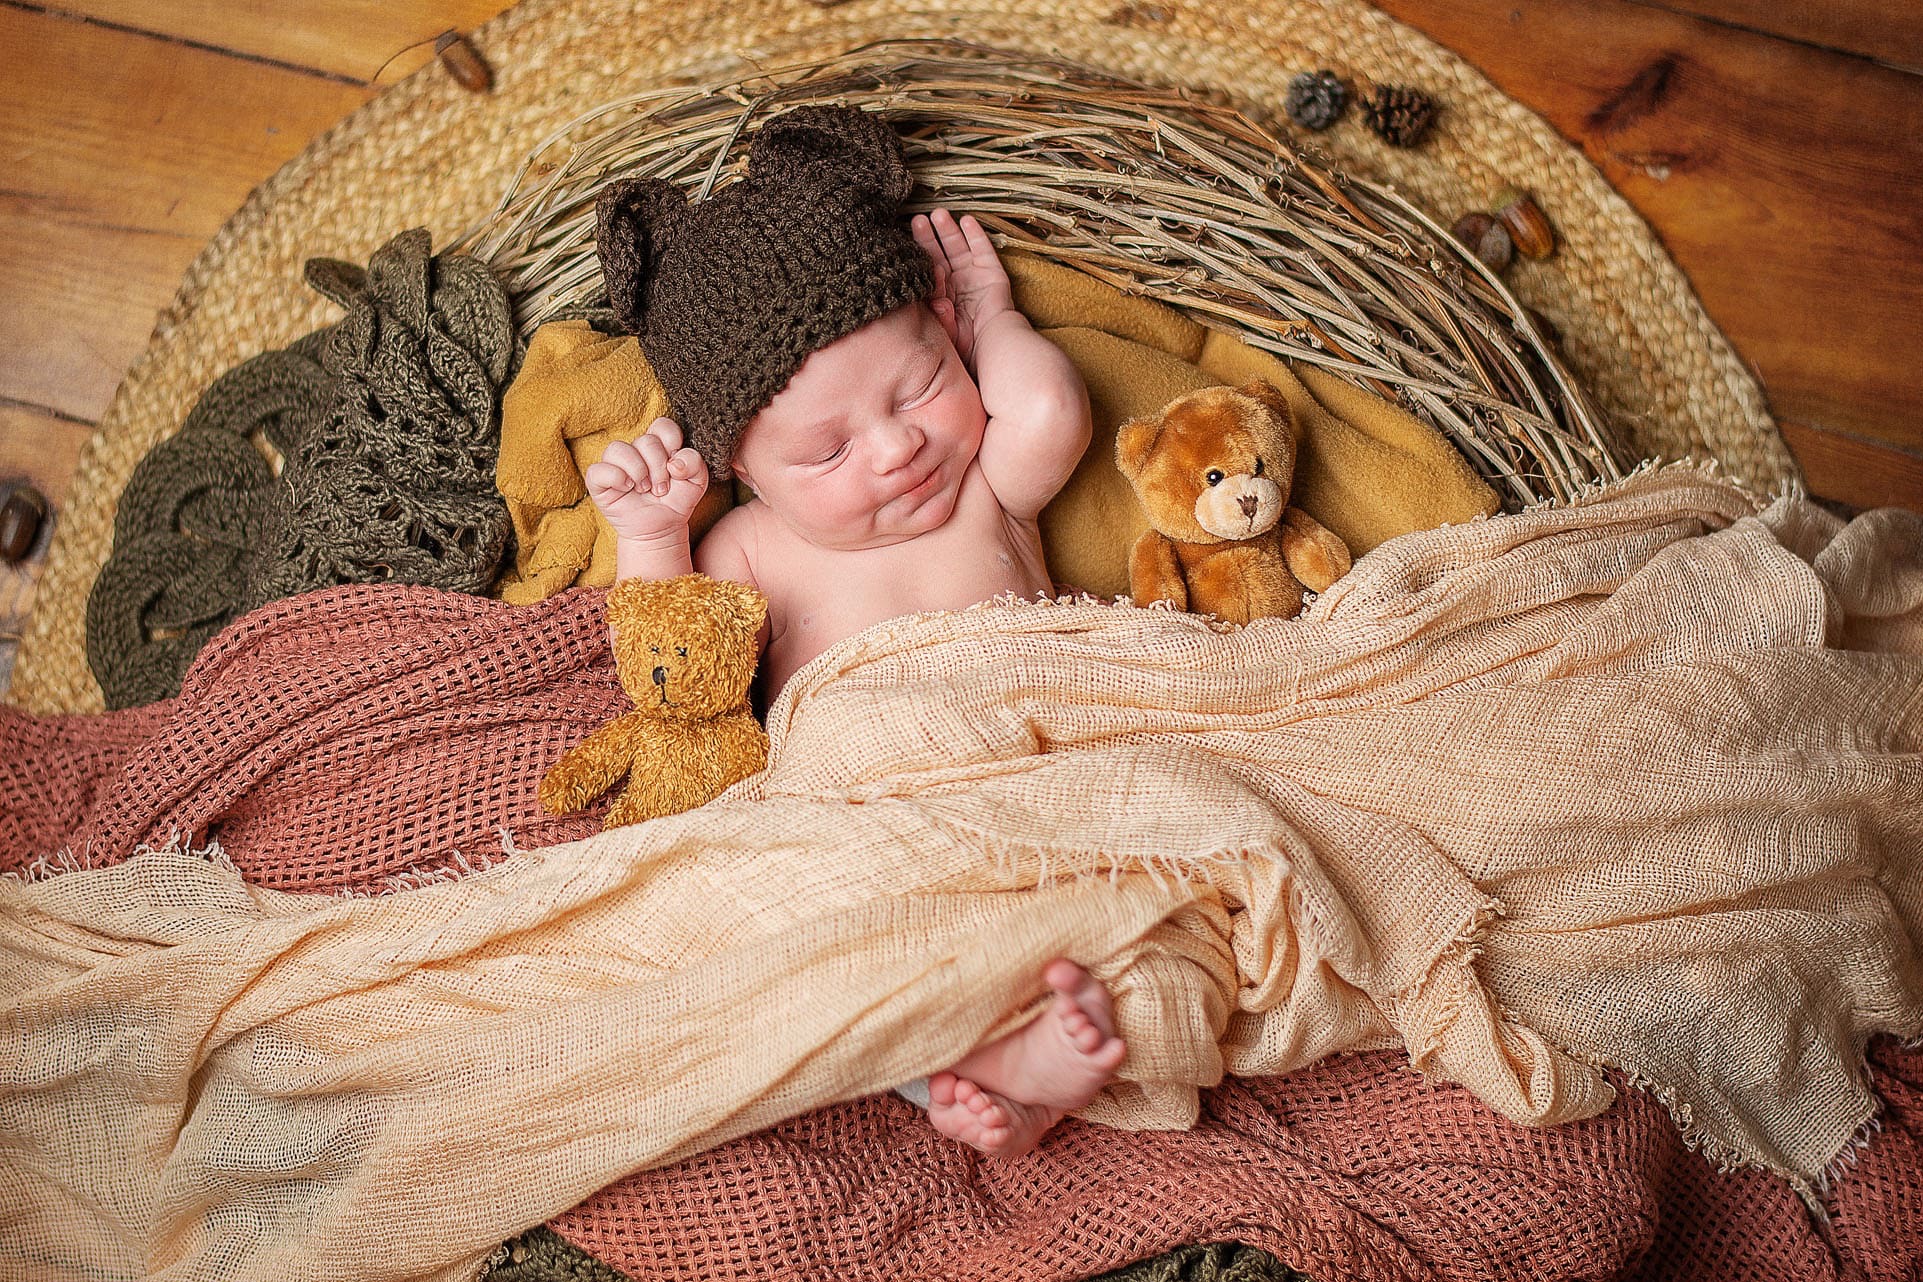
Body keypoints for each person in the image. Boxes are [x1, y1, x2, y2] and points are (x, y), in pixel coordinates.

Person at [584, 104, 1122, 1157]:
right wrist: (651, 532)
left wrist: (989, 311)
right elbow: (677, 673)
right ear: (743, 467)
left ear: (946, 338)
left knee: (1120, 869)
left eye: (920, 386)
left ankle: (1061, 1022)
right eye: (827, 453)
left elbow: (1054, 414)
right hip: (868, 813)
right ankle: (983, 1069)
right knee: (830, 933)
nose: (895, 448)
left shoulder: (983, 489)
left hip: (1035, 760)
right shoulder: (748, 548)